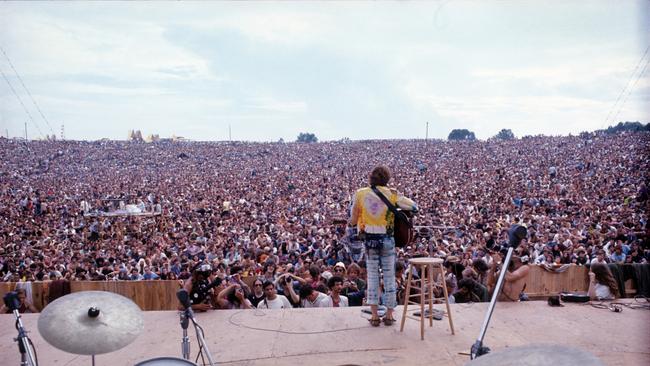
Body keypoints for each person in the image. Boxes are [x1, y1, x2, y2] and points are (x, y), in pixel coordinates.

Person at [348, 165, 418, 326]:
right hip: (387, 240)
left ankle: (374, 316)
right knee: (389, 276)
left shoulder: (360, 193)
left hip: (370, 240)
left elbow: (352, 219)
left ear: (371, 178)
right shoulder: (392, 194)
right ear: (387, 178)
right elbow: (414, 207)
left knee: (372, 277)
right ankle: (389, 315)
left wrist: (354, 223)